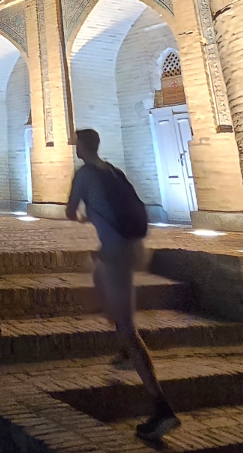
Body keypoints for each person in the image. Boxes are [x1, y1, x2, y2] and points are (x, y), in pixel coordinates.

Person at [66, 128, 178, 442]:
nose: (75, 149)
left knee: (127, 328)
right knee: (98, 277)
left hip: (117, 255)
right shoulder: (112, 170)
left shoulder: (85, 175)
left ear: (83, 147)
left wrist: (85, 216)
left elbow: (70, 211)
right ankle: (124, 347)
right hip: (131, 250)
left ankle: (161, 407)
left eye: (77, 144)